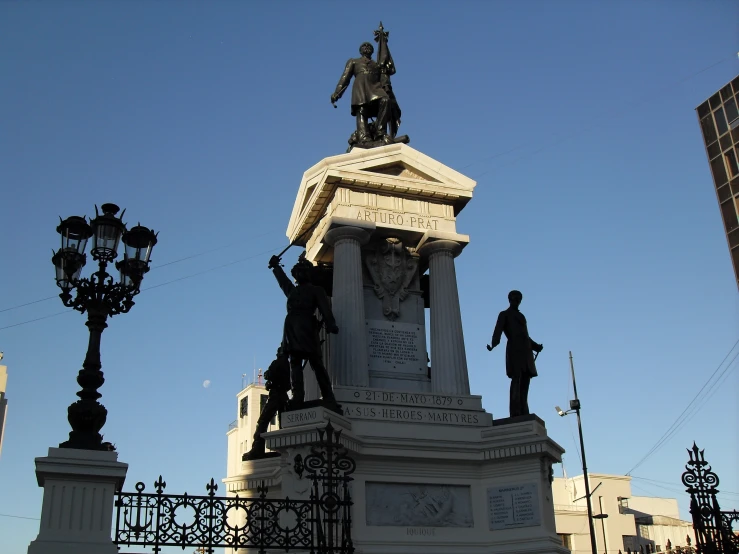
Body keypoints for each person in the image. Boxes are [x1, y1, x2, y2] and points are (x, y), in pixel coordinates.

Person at [268, 253, 341, 412]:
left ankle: (328, 396)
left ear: (309, 274)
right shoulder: (292, 291)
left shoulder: (316, 290)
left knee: (316, 362)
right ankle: (298, 397)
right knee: (295, 363)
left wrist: (331, 324)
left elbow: (325, 309)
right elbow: (283, 282)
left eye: (303, 271)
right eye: (297, 272)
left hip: (307, 326)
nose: (299, 274)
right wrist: (276, 267)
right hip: (291, 327)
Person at [487, 290, 543, 417]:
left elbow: (525, 335)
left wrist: (536, 346)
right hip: (514, 349)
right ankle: (515, 412)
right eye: (514, 299)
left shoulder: (521, 316)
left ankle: (524, 409)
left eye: (518, 299)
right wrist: (493, 344)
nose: (516, 302)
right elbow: (498, 331)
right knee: (516, 380)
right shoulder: (504, 314)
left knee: (525, 382)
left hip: (526, 351)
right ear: (510, 300)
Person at [331, 41, 393, 145]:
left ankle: (380, 131)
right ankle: (364, 137)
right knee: (361, 110)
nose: (367, 47)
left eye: (369, 46)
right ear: (360, 50)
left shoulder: (377, 64)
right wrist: (337, 93)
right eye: (364, 46)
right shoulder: (354, 61)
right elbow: (345, 78)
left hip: (375, 88)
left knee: (385, 100)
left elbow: (384, 78)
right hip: (361, 88)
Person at [243, 348, 291, 461]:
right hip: (283, 395)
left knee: (263, 421)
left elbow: (268, 374)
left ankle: (257, 449)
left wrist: (269, 377)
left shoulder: (278, 362)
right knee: (283, 422)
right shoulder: (287, 365)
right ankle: (285, 448)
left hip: (275, 395)